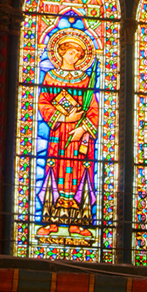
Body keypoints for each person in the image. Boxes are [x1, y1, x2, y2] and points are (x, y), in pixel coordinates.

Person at [36, 27, 101, 241]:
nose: (73, 57)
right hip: (58, 134)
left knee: (79, 175)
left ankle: (78, 223)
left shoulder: (85, 80)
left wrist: (82, 128)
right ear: (61, 52)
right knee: (55, 172)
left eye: (77, 54)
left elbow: (93, 108)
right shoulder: (50, 77)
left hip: (78, 138)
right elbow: (43, 102)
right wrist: (64, 119)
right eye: (70, 52)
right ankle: (52, 221)